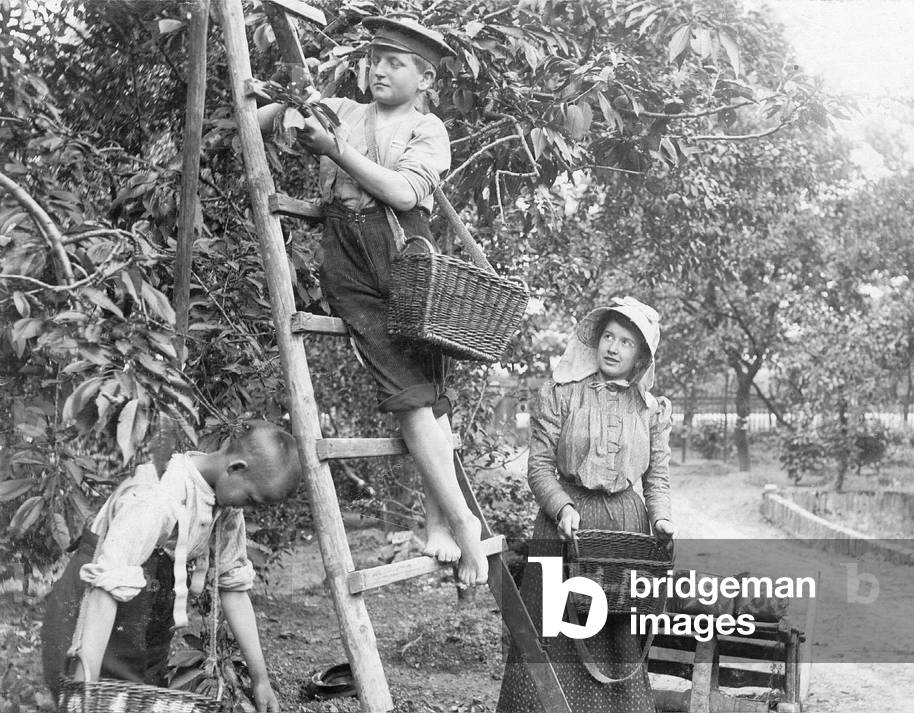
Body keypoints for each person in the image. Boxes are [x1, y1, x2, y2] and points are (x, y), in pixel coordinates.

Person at [257, 16, 488, 585]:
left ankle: (453, 524)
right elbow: (254, 122)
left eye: (395, 62)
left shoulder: (428, 128)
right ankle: (457, 523)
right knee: (410, 393)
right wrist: (285, 96)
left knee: (427, 394)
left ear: (425, 77)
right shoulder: (342, 110)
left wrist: (332, 149)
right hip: (348, 256)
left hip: (404, 250)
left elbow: (404, 191)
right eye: (374, 58)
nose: (378, 69)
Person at [40, 421, 303, 713]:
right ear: (236, 467)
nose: (250, 509)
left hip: (142, 612)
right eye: (252, 499)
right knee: (93, 703)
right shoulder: (160, 496)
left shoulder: (226, 507)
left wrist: (261, 680)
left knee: (141, 696)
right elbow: (105, 589)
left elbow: (235, 591)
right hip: (90, 610)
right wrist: (84, 692)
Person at [496, 297, 677, 713]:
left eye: (626, 342)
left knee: (614, 635)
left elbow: (657, 479)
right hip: (566, 528)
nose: (613, 348)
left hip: (623, 532)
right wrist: (561, 508)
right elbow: (539, 467)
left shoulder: (652, 411)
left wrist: (662, 519)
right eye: (608, 337)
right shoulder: (561, 394)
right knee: (553, 631)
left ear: (641, 357)